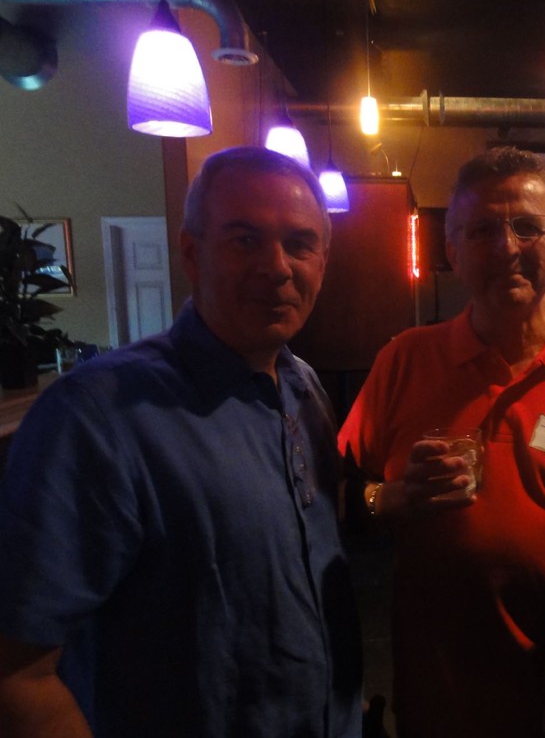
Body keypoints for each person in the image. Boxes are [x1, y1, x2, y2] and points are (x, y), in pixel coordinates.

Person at [0, 147, 362, 737]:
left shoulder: (304, 388)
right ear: (192, 253)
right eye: (245, 240)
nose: (277, 267)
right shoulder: (95, 417)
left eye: (300, 244)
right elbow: (18, 673)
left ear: (323, 260)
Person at [338, 146, 545, 738]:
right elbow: (333, 498)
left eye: (526, 226)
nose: (506, 247)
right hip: (438, 709)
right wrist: (386, 499)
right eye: (482, 230)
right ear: (452, 251)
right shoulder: (405, 361)